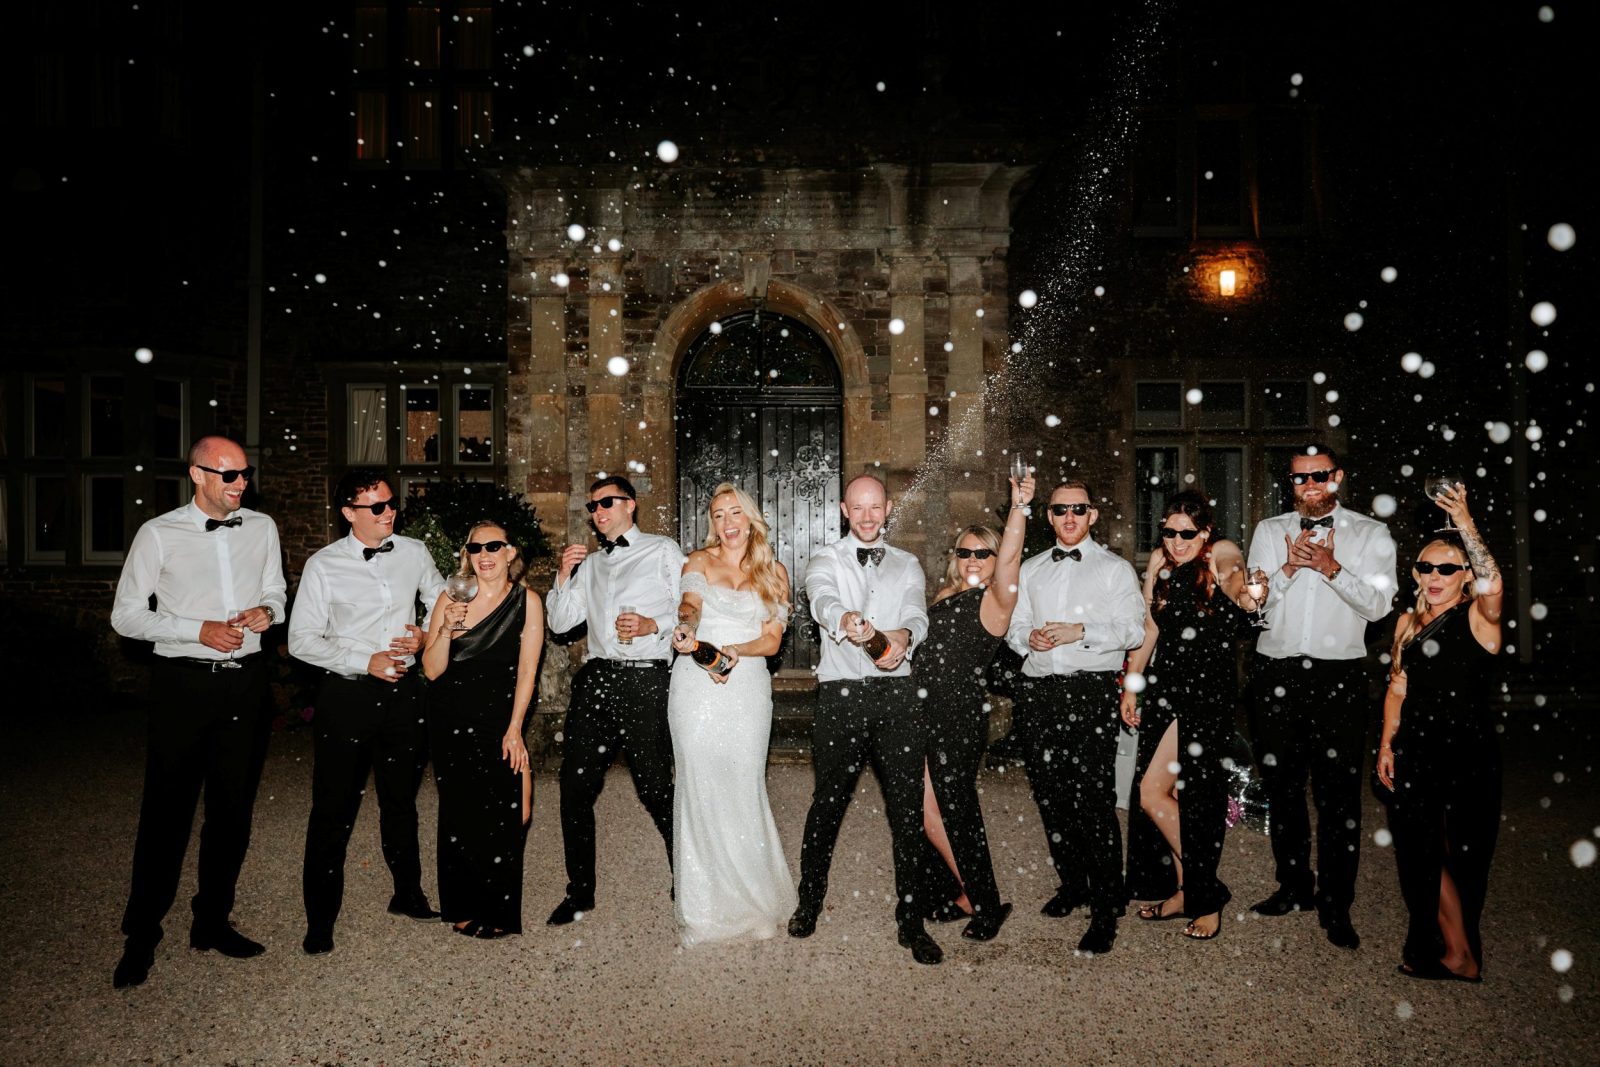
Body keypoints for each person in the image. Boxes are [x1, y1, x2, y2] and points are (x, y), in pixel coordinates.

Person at [108, 436, 286, 989]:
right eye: (229, 474)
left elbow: (277, 590)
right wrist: (196, 630)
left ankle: (211, 921)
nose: (241, 484)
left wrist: (268, 611)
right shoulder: (158, 533)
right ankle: (142, 934)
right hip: (182, 686)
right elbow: (126, 616)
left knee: (232, 811)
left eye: (245, 473)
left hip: (246, 685)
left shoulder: (262, 528)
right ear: (197, 475)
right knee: (166, 814)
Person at [289, 468, 446, 955]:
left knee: (400, 801)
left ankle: (408, 893)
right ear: (348, 513)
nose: (389, 512)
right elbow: (301, 640)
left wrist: (425, 634)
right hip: (347, 697)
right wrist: (364, 660)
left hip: (404, 696)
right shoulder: (323, 565)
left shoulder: (414, 552)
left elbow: (442, 601)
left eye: (391, 503)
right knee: (333, 809)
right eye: (377, 506)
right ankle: (320, 921)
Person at [1245, 447, 1396, 950]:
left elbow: (1378, 606)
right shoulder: (1270, 531)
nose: (1309, 484)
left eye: (1319, 475)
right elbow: (1255, 606)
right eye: (1299, 478)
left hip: (1338, 678)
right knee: (1282, 789)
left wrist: (1332, 568)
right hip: (1275, 672)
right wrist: (1287, 569)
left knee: (1338, 798)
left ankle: (1336, 905)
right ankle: (1293, 887)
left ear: (1337, 477)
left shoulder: (1371, 534)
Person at [788, 474, 939, 964]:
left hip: (898, 697)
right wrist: (844, 620)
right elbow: (821, 597)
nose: (868, 517)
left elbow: (917, 615)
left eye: (875, 507)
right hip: (842, 696)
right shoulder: (825, 558)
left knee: (906, 810)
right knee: (827, 804)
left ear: (887, 508)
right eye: (859, 508)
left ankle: (911, 921)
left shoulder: (908, 563)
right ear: (844, 511)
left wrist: (902, 638)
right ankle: (809, 902)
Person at [1007, 479, 1145, 954]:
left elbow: (1133, 630)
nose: (1069, 517)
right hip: (1038, 693)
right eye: (1061, 509)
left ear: (1093, 515)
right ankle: (1073, 884)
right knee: (1051, 797)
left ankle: (1106, 909)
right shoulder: (1031, 569)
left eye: (1078, 509)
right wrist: (1027, 639)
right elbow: (1014, 626)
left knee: (1094, 801)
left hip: (1089, 694)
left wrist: (1080, 631)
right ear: (1049, 516)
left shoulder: (1114, 569)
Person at [1120, 491, 1264, 942]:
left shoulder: (1219, 554)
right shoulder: (1159, 563)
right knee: (1153, 793)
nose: (1177, 541)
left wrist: (1248, 596)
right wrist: (1132, 684)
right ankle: (1189, 890)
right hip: (1164, 689)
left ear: (1205, 532)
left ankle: (1206, 892)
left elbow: (1236, 580)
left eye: (1187, 533)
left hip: (1205, 695)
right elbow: (1150, 627)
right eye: (1169, 532)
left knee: (1192, 796)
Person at [544, 475, 684, 925]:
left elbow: (691, 608)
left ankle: (688, 877)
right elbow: (561, 624)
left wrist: (652, 624)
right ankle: (580, 892)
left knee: (656, 788)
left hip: (646, 679)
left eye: (607, 502)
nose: (598, 512)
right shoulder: (591, 565)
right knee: (574, 787)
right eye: (593, 506)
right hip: (597, 679)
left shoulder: (662, 550)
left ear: (631, 505)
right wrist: (563, 576)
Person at [1377, 484, 1503, 982]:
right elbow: (1397, 687)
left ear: (1465, 575)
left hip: (1469, 750)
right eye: (1426, 568)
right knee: (1419, 852)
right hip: (1416, 748)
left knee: (1466, 853)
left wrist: (1465, 523)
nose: (1434, 576)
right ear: (1415, 573)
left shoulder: (1478, 618)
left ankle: (1462, 952)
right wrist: (1386, 744)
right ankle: (1448, 948)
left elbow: (1493, 584)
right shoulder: (1407, 623)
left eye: (1447, 569)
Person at [667, 483, 797, 945]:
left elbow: (772, 641)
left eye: (735, 512)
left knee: (743, 786)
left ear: (751, 518)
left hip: (747, 686)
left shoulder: (774, 572)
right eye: (719, 515)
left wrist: (736, 650)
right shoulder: (699, 561)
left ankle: (753, 901)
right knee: (699, 787)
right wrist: (685, 629)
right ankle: (704, 908)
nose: (727, 522)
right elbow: (690, 606)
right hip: (695, 686)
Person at [915, 471, 1034, 943]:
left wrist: (1019, 508)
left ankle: (987, 902)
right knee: (928, 812)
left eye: (983, 553)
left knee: (959, 811)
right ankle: (965, 892)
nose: (972, 560)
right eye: (964, 552)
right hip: (923, 711)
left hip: (958, 715)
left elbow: (1012, 557)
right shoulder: (945, 596)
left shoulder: (996, 600)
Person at [421, 521, 545, 939]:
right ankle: (463, 908)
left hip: (499, 717)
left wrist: (515, 728)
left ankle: (498, 907)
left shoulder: (527, 602)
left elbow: (527, 671)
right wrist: (445, 629)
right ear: (467, 555)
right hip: (451, 716)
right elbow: (432, 670)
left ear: (510, 553)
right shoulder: (451, 597)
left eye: (494, 547)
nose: (485, 555)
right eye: (476, 548)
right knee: (460, 810)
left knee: (513, 810)